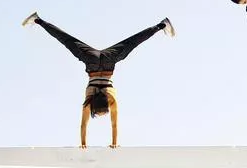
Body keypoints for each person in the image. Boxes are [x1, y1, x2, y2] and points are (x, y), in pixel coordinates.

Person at [22, 12, 175, 148]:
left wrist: (114, 143)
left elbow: (114, 124)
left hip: (109, 61)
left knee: (132, 42)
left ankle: (161, 25)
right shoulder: (88, 102)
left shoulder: (112, 100)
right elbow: (83, 125)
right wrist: (84, 144)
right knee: (67, 40)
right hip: (92, 61)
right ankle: (38, 20)